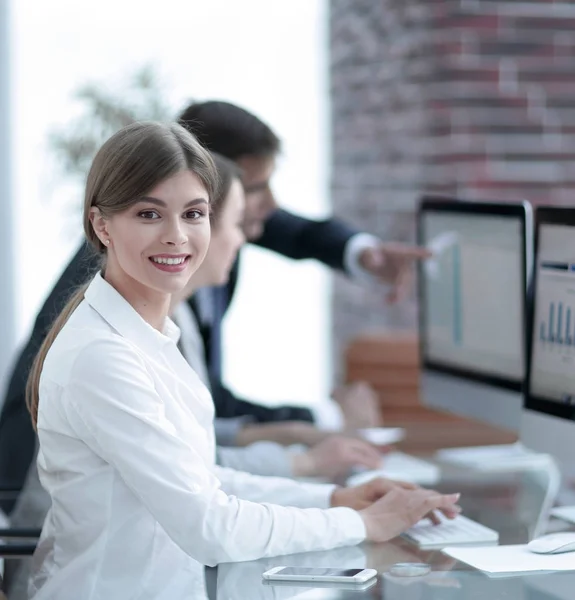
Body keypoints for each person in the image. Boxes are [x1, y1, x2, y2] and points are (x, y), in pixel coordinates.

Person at [25, 122, 459, 599]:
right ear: (101, 224)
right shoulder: (103, 357)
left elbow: (200, 476)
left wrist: (335, 497)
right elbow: (209, 526)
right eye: (149, 214)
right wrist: (359, 522)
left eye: (194, 214)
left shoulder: (149, 334)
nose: (177, 236)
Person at [0, 100, 427, 509]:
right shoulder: (123, 294)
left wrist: (359, 251)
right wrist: (335, 488)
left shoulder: (174, 275)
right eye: (257, 188)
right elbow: (201, 505)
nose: (268, 211)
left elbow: (198, 439)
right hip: (39, 492)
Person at [176, 100, 430, 447]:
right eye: (255, 188)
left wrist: (362, 253)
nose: (272, 205)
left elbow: (298, 233)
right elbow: (204, 414)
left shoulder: (215, 231)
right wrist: (327, 419)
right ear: (203, 189)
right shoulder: (143, 283)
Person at [171, 152, 382, 479]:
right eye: (236, 222)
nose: (245, 239)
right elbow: (192, 474)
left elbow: (199, 436)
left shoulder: (179, 315)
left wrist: (301, 434)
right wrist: (311, 466)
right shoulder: (141, 335)